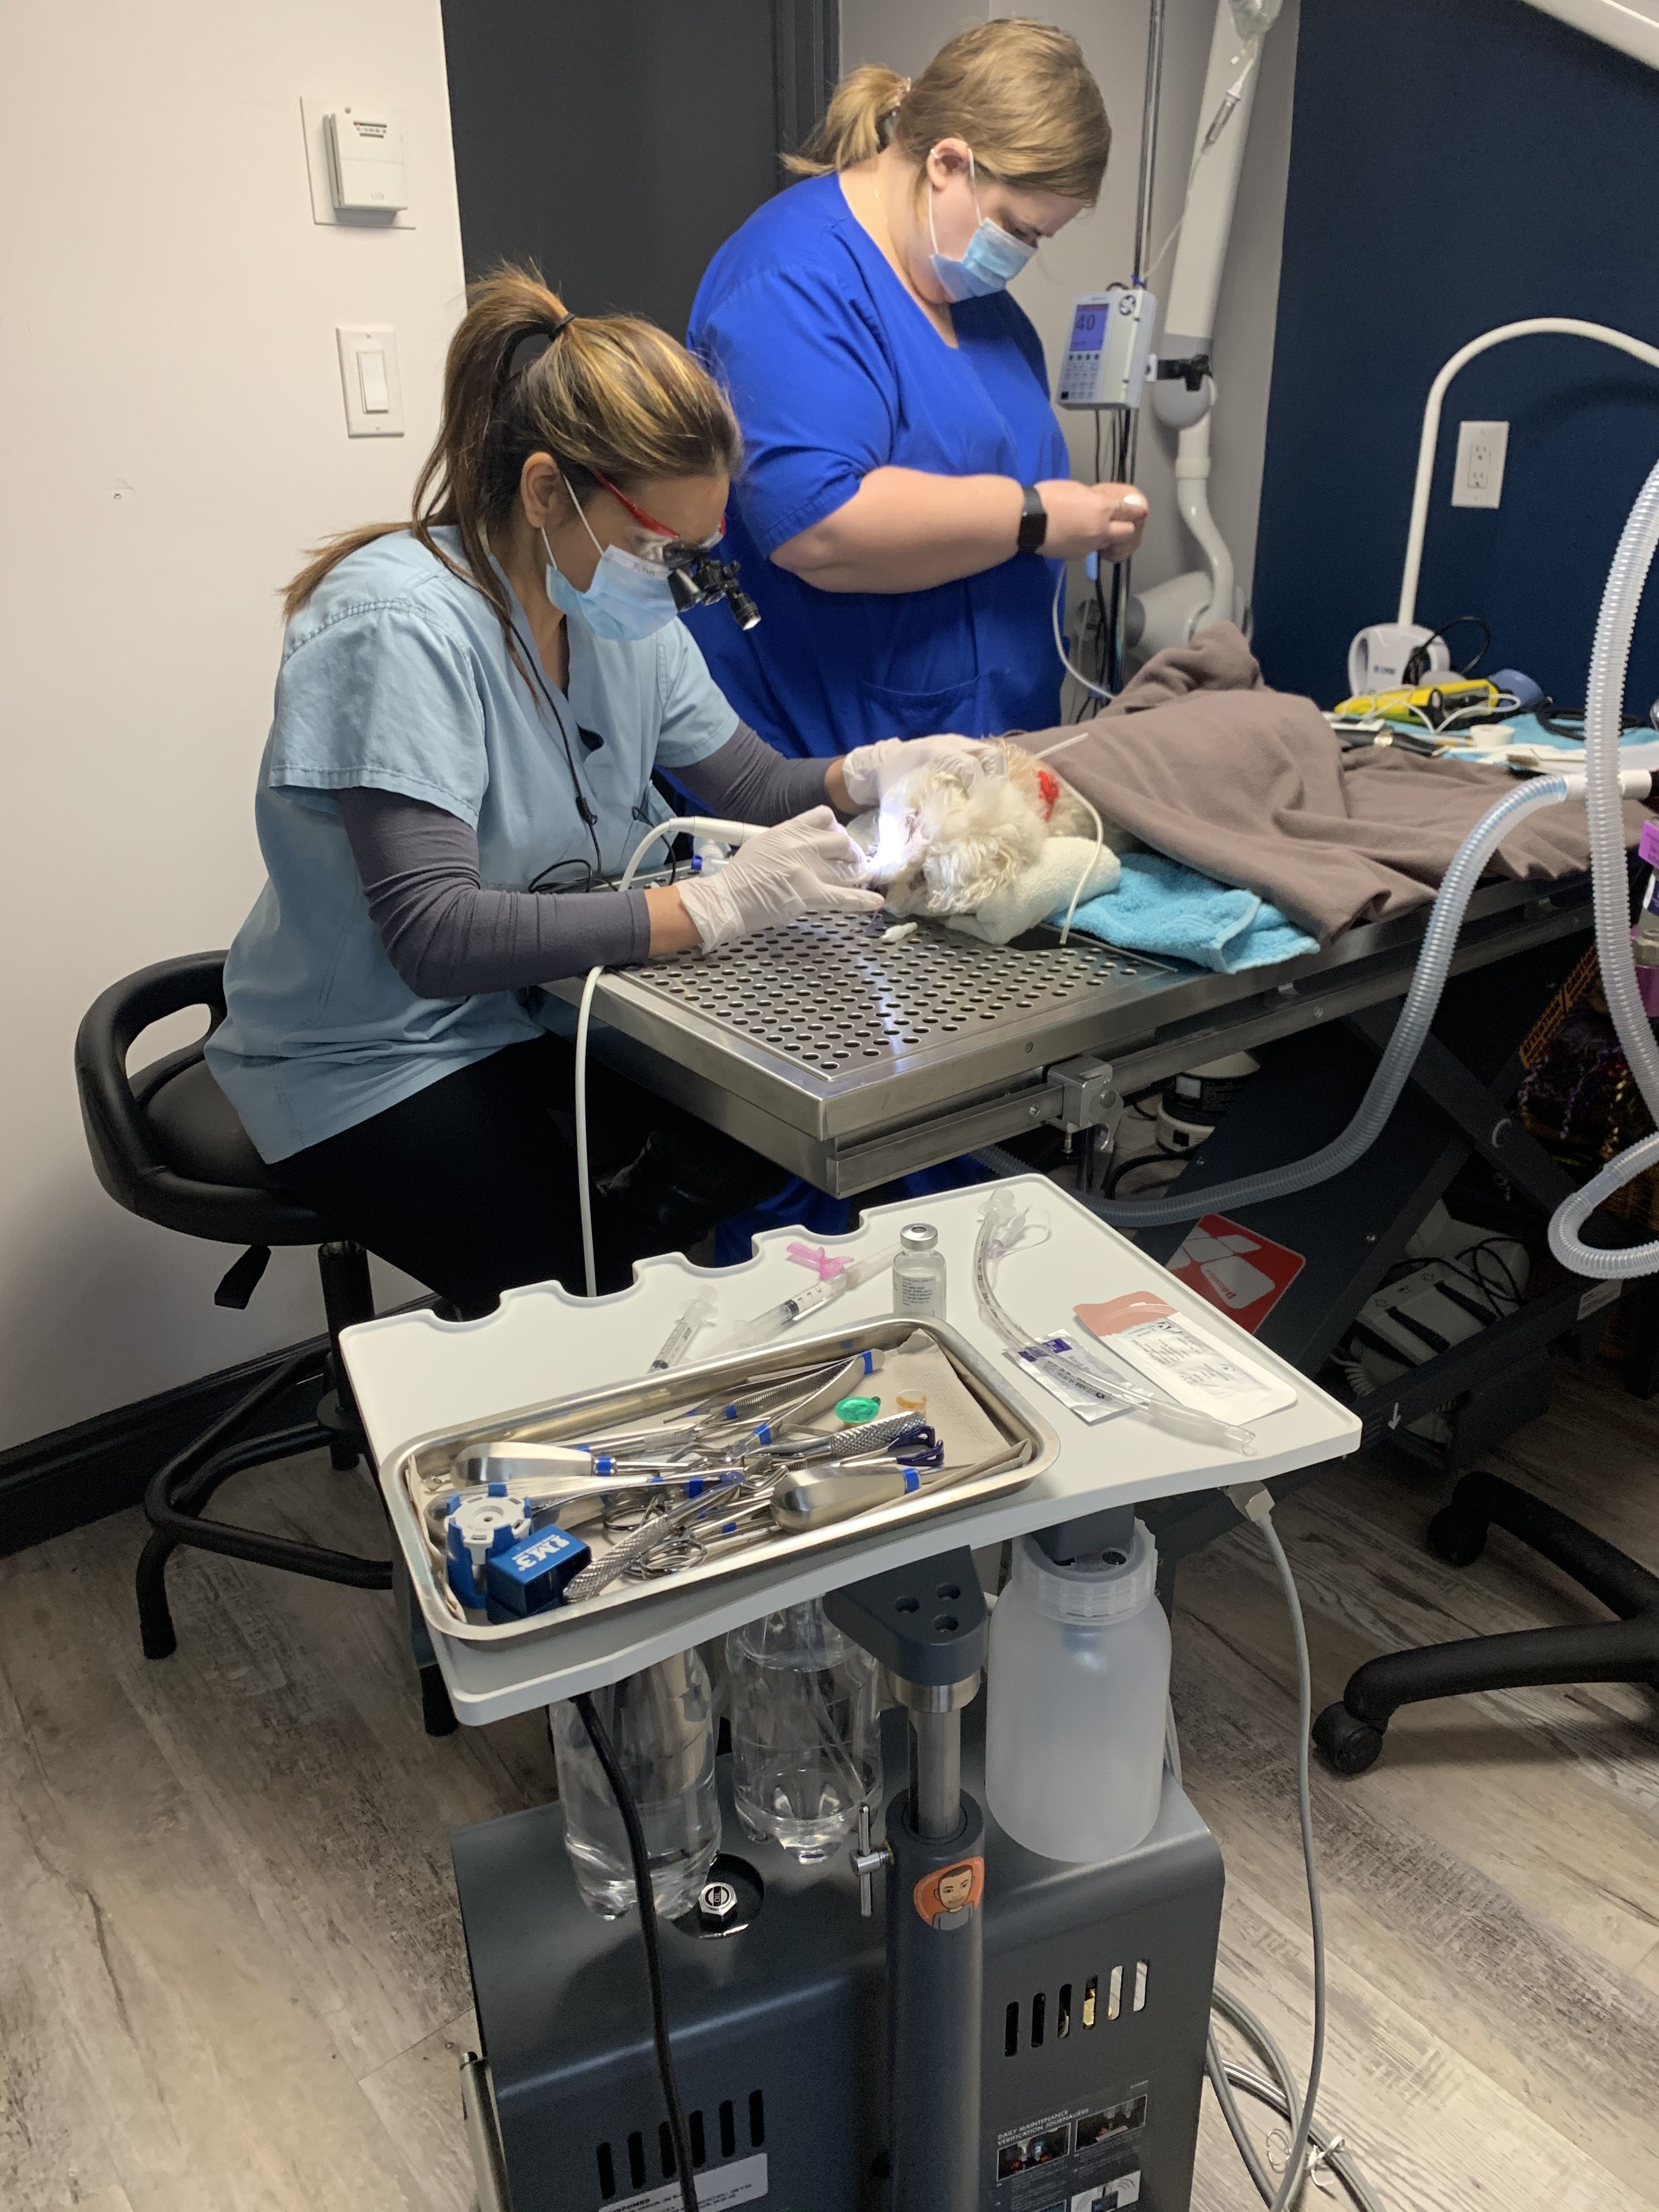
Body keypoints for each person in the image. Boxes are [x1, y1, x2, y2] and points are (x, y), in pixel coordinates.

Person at [207, 267, 975, 1316]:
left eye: (696, 555)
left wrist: (863, 773)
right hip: (371, 1061)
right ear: (542, 493)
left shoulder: (624, 623)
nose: (672, 579)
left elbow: (745, 782)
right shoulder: (401, 627)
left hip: (546, 1016)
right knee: (595, 1297)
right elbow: (432, 937)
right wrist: (711, 906)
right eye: (659, 547)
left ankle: (620, 1301)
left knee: (765, 1143)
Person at [685, 18, 1149, 761]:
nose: (1021, 256)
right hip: (835, 764)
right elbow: (820, 528)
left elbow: (989, 469)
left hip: (994, 745)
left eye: (1040, 239)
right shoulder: (791, 280)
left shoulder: (981, 308)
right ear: (946, 162)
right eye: (1016, 229)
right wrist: (1033, 517)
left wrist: (1088, 516)